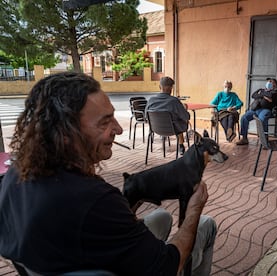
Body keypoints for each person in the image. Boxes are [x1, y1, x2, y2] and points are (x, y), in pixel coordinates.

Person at [0, 72, 217, 276]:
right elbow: (168, 266)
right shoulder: (96, 201)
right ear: (64, 133)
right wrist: (194, 209)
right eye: (105, 121)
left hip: (68, 259)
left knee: (161, 216)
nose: (118, 129)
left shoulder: (14, 175)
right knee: (206, 224)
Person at [146, 76, 190, 155]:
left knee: (175, 120)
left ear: (160, 87)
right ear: (171, 88)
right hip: (173, 129)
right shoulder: (174, 101)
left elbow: (146, 116)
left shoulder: (151, 100)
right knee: (178, 120)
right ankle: (181, 145)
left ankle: (179, 145)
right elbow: (186, 117)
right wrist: (184, 109)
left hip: (155, 129)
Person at [236, 78, 277, 145]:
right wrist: (264, 95)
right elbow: (254, 95)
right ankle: (244, 138)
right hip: (256, 110)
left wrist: (262, 94)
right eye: (268, 81)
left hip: (266, 110)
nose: (269, 82)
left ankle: (265, 141)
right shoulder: (262, 90)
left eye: (271, 81)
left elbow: (270, 96)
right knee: (244, 117)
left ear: (275, 84)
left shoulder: (276, 92)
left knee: (261, 119)